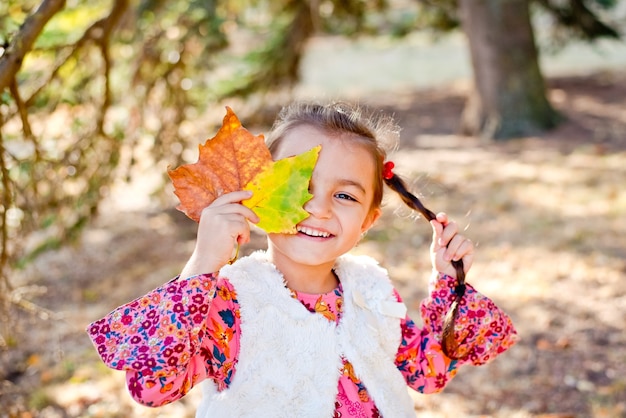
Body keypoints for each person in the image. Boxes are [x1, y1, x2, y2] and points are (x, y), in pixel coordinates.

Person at [87, 101, 517, 417]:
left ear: (367, 220)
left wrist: (449, 285)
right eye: (300, 185)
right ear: (258, 192)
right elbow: (152, 385)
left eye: (345, 195)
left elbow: (430, 372)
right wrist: (202, 264)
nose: (319, 208)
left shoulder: (370, 292)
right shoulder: (230, 304)